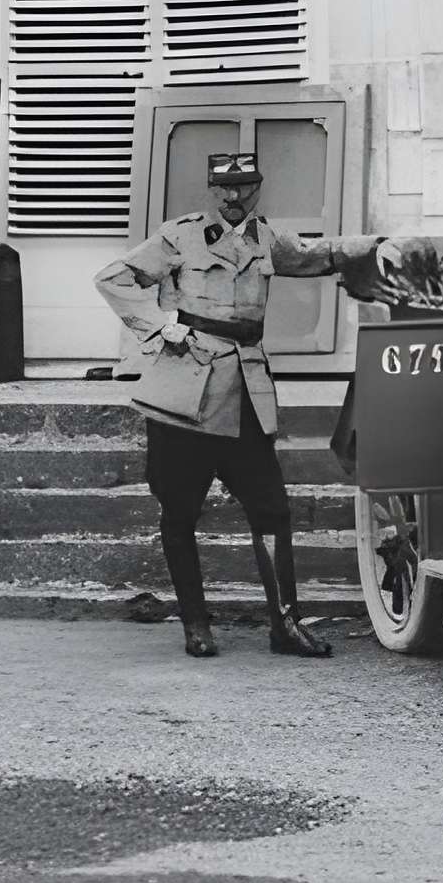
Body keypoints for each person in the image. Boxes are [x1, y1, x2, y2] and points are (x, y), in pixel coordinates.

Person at [97, 152, 384, 662]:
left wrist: (378, 247)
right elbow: (113, 278)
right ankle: (196, 625)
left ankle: (285, 624)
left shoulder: (268, 240)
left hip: (246, 391)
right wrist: (159, 327)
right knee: (180, 511)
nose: (234, 197)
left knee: (272, 509)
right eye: (224, 187)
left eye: (245, 186)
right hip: (184, 390)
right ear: (211, 188)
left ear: (259, 187)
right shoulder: (180, 236)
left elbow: (320, 255)